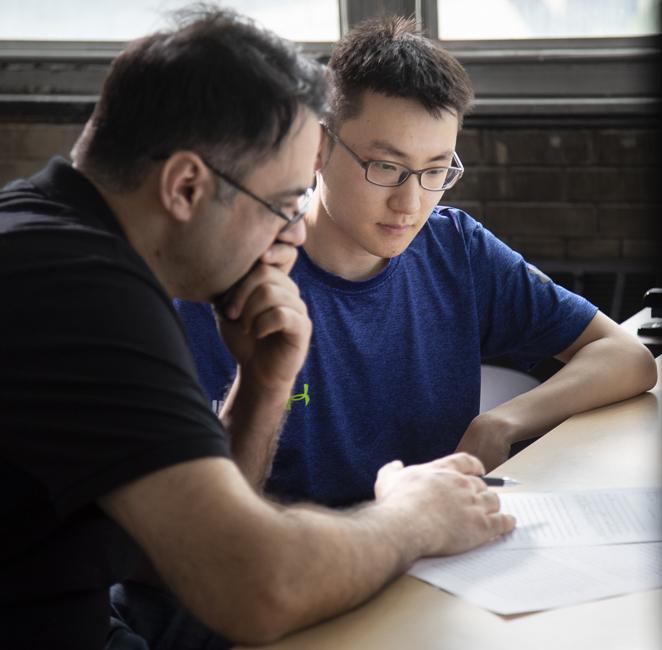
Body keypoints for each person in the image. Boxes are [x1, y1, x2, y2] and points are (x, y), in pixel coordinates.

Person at [0, 8, 516, 650]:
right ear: (186, 187)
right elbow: (251, 587)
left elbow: (181, 550)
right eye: (283, 203)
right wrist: (411, 519)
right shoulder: (81, 294)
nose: (295, 233)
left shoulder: (48, 236)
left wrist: (264, 381)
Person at [176, 15, 659, 509]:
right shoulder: (228, 278)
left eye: (435, 170)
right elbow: (202, 521)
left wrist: (502, 421)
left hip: (429, 557)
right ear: (317, 147)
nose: (410, 204)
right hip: (300, 565)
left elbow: (626, 358)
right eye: (386, 167)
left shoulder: (455, 250)